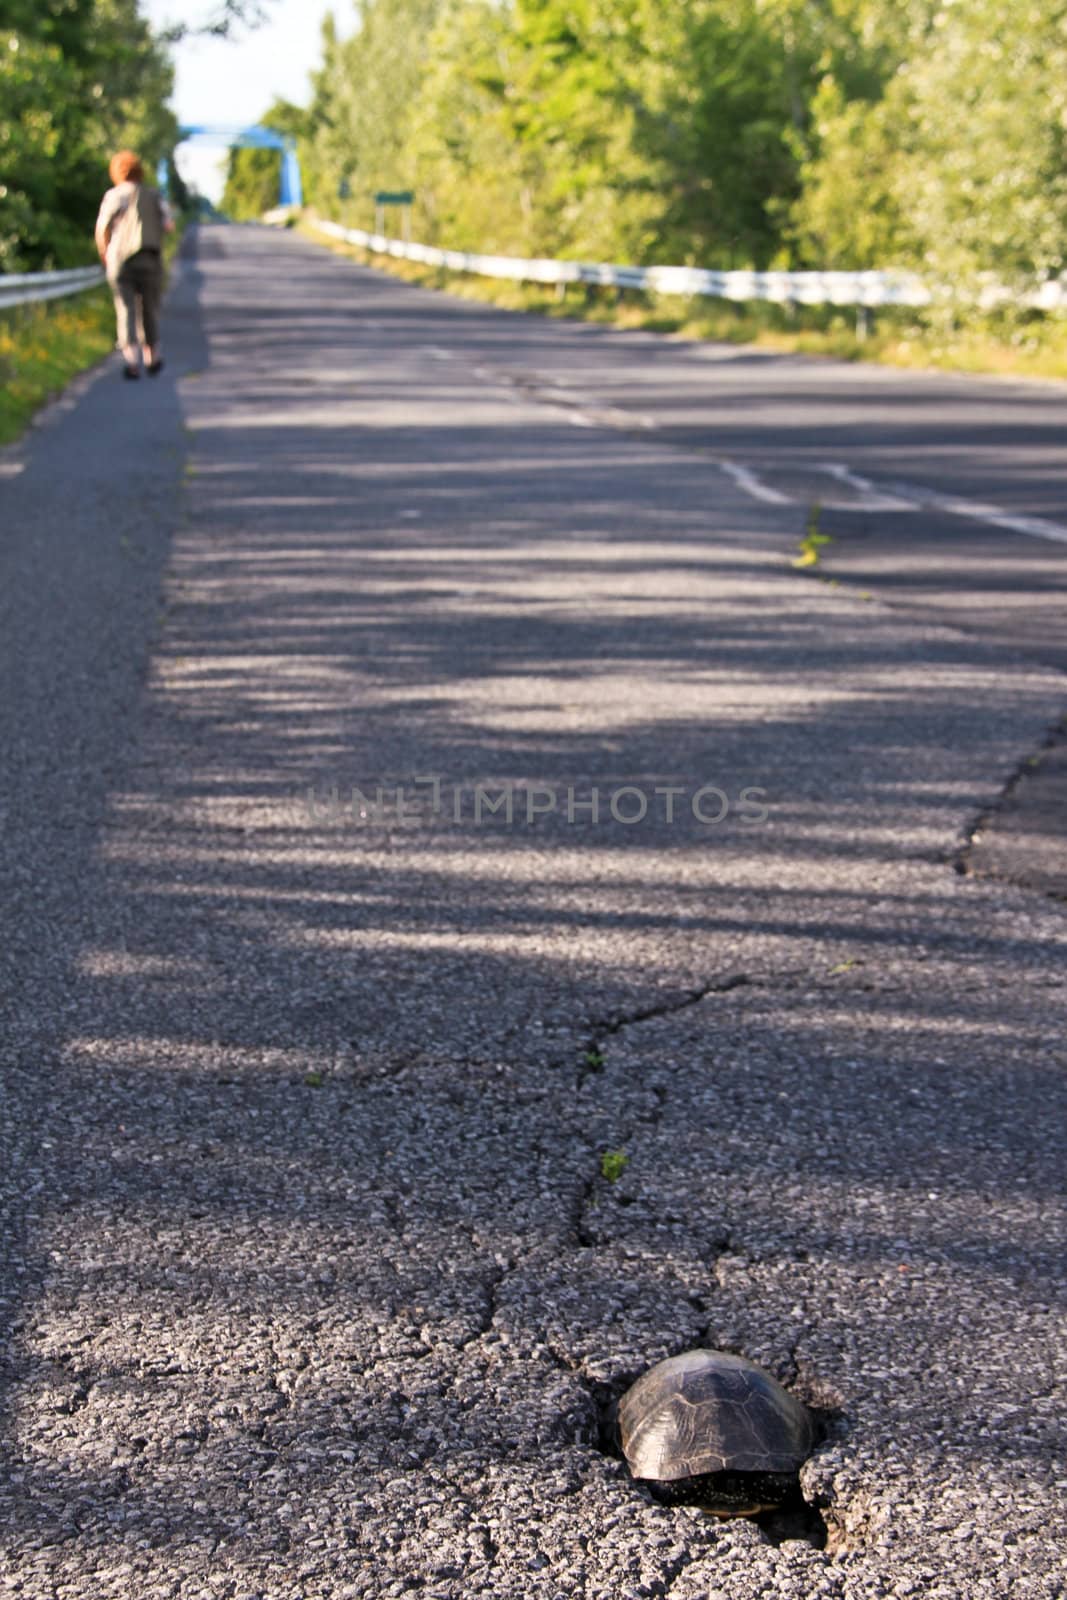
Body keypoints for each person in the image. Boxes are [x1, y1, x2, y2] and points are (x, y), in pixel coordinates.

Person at [95, 150, 174, 381]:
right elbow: (169, 225)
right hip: (149, 258)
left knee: (125, 309)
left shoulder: (114, 196)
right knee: (150, 308)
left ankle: (131, 362)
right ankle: (152, 357)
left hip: (120, 260)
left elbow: (102, 229)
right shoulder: (154, 195)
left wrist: (105, 253)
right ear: (140, 171)